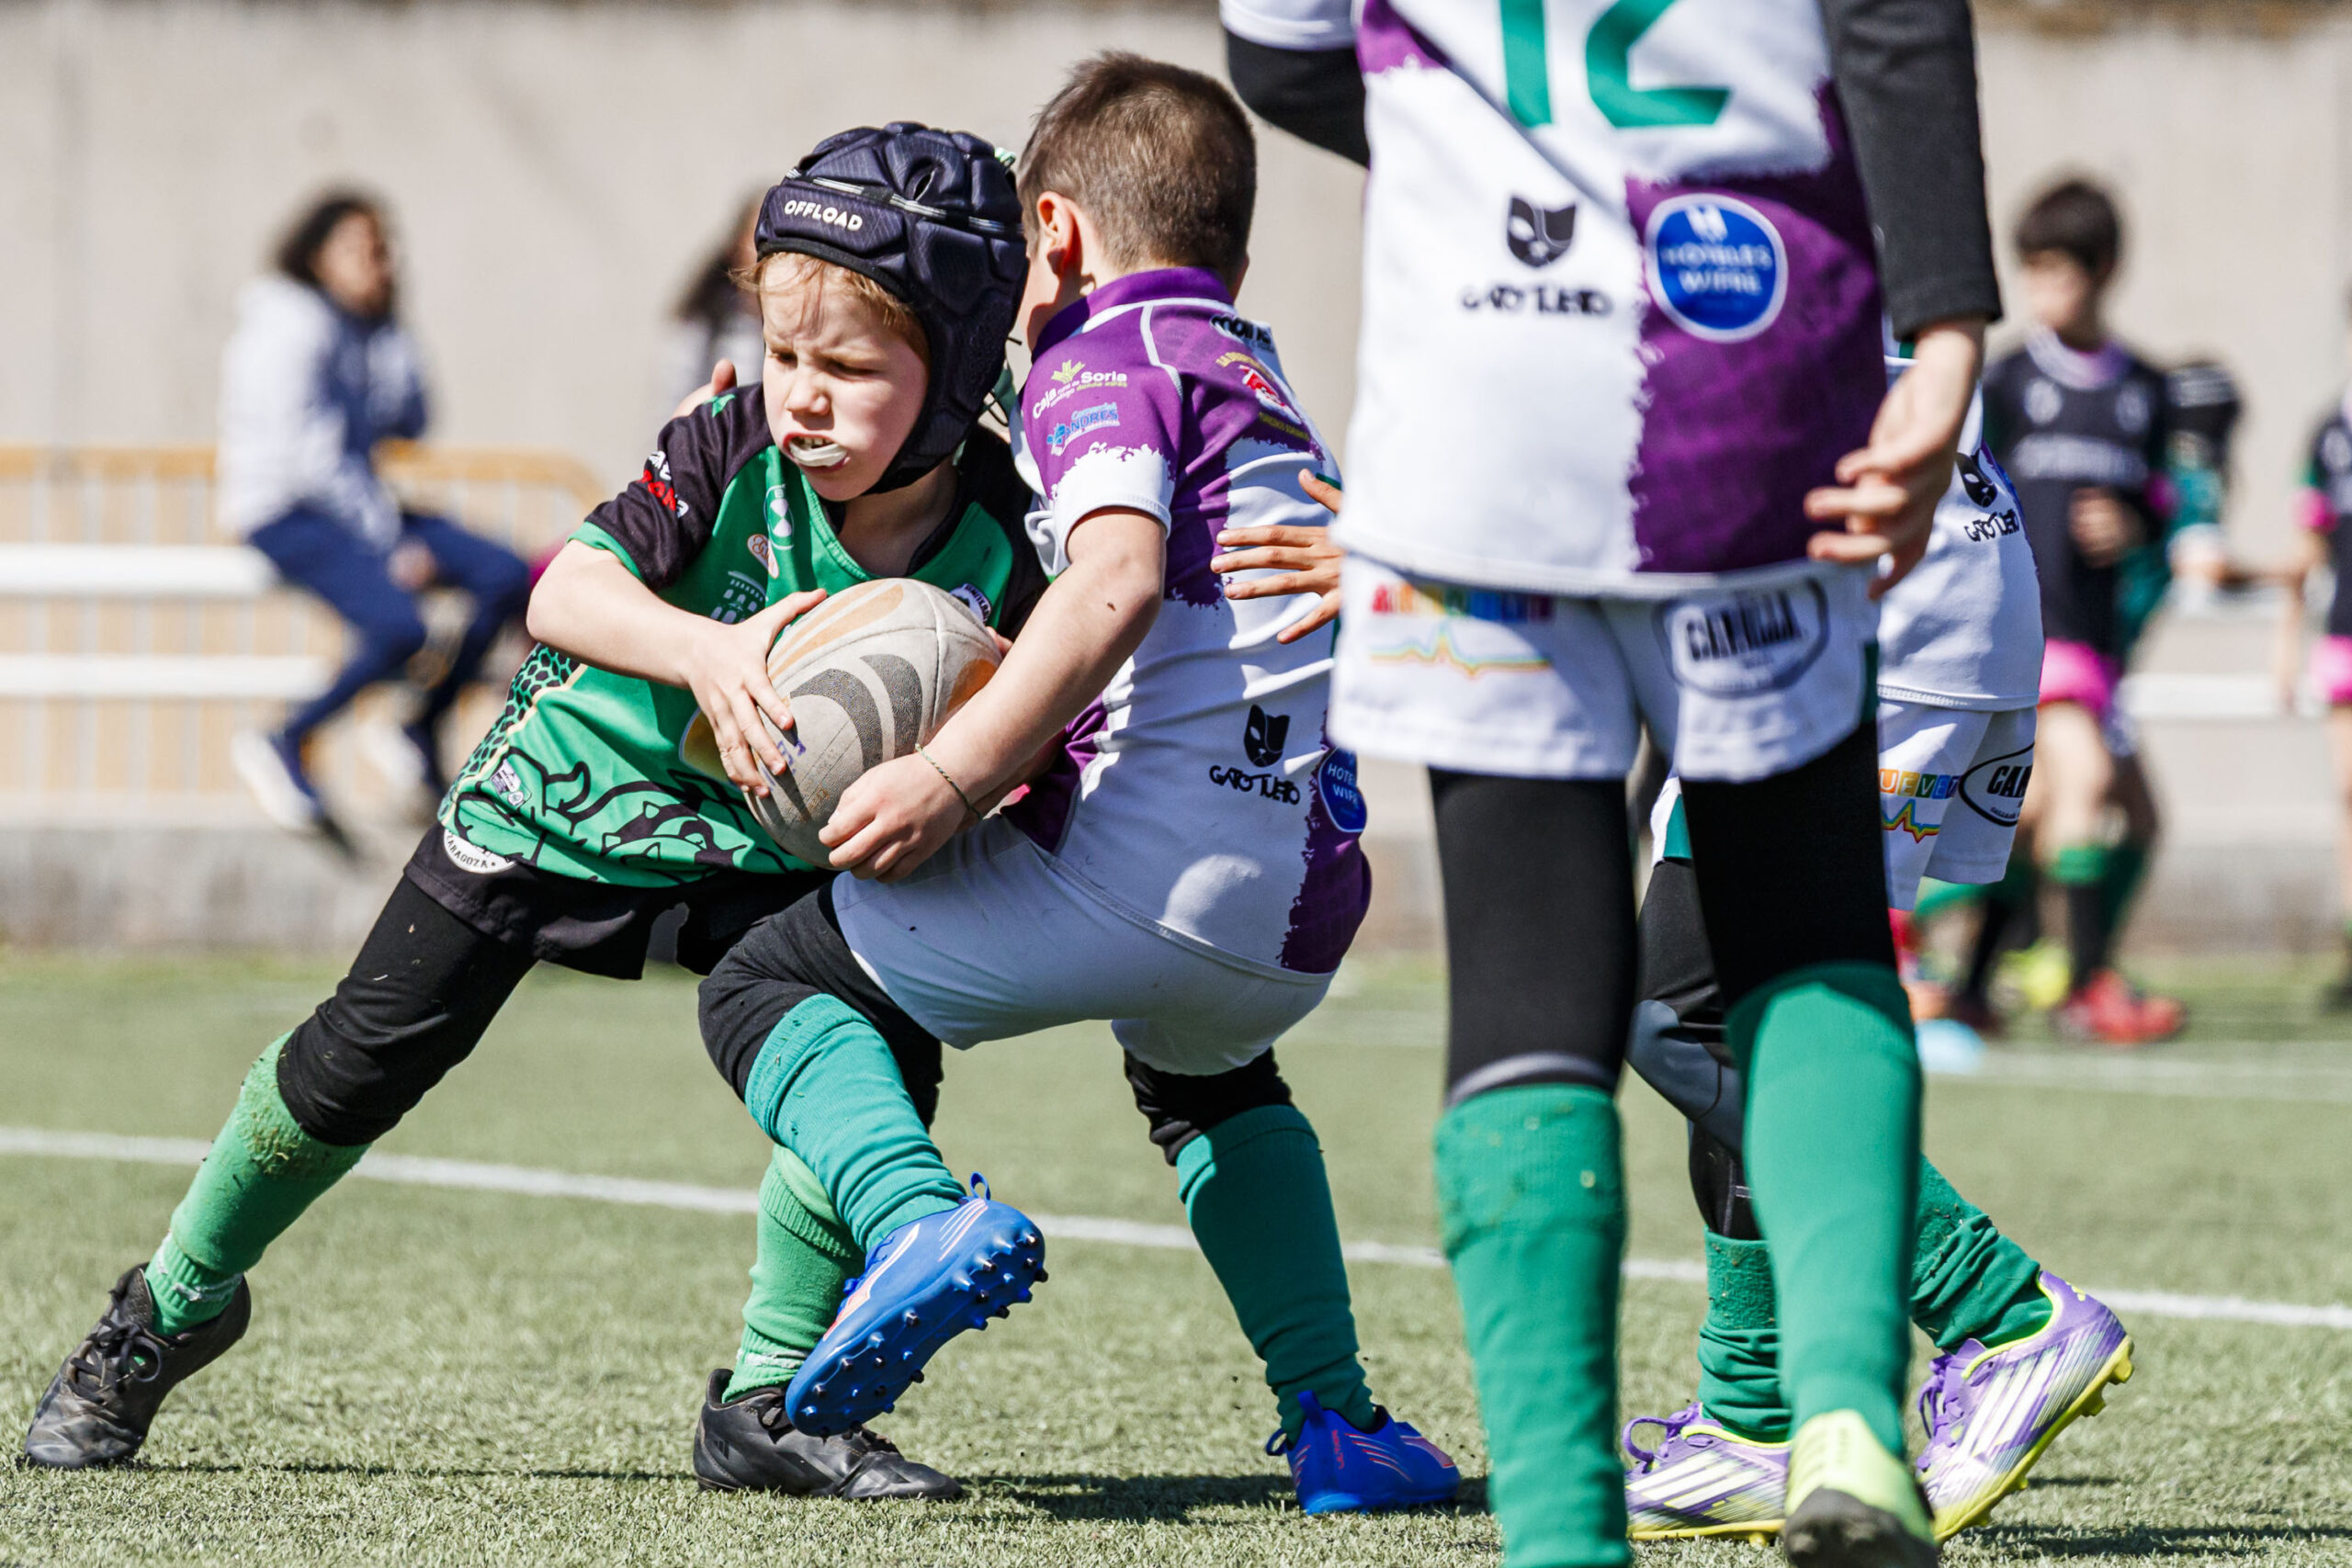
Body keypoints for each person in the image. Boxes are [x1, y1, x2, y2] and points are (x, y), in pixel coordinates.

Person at [22, 130, 1054, 1500]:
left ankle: (771, 1398)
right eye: (787, 353)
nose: (800, 396)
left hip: (763, 838)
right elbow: (564, 590)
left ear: (964, 371)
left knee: (872, 1042)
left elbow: (1060, 688)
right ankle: (169, 1304)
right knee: (353, 1065)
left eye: (849, 369)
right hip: (573, 783)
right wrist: (705, 651)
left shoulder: (1007, 523)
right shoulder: (731, 435)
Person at [1226, 0, 2000, 1562]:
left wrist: (1495, 156)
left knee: (1522, 991)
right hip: (1749, 351)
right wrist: (1952, 325)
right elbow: (1895, 22)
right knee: (1804, 928)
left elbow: (1277, 50)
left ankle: (1566, 1534)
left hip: (1482, 399)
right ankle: (1846, 1417)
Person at [678, 70, 1458, 1516]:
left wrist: (948, 767)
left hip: (1129, 870)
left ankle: (882, 1258)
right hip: (1294, 910)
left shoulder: (1099, 355)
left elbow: (1113, 575)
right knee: (1211, 1076)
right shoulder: (1256, 372)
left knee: (774, 984)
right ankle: (1338, 1422)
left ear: (1060, 233)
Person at [1617, 356, 2132, 1547]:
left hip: (1854, 592)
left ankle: (2001, 1307)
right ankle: (1754, 1415)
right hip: (1919, 561)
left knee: (1677, 1009)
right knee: (1749, 996)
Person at [220, 191, 533, 831]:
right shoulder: (291, 329)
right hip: (286, 511)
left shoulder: (357, 328)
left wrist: (392, 321)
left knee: (506, 574)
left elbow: (412, 420)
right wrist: (389, 542)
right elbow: (313, 461)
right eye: (362, 249)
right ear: (317, 255)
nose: (378, 261)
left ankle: (419, 723)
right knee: (401, 625)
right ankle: (285, 737)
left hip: (353, 505)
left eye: (385, 249)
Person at [1968, 179, 2185, 1046]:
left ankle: (1984, 974)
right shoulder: (2009, 382)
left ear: (2104, 272)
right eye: (2032, 273)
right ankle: (2083, 983)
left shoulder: (2145, 391)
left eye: (2058, 273)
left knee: (2119, 816)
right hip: (2033, 636)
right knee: (2083, 787)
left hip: (2100, 646)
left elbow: (2171, 511)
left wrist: (2138, 525)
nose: (2042, 293)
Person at [2281, 302, 2352, 1006]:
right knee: (2351, 794)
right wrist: (2284, 644)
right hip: (2345, 640)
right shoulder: (2332, 432)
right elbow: (2308, 552)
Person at [661, 195, 768, 417]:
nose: (769, 253)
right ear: (737, 247)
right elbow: (666, 415)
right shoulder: (706, 326)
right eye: (761, 239)